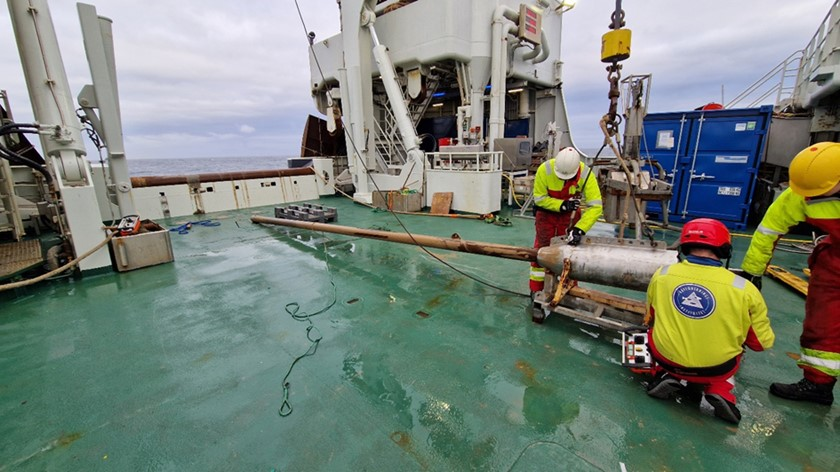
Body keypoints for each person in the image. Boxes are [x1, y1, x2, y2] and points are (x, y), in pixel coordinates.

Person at [645, 218, 774, 425]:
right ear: (725, 250)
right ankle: (721, 390)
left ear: (684, 246)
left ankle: (667, 375)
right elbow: (760, 343)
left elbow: (650, 317)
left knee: (652, 332)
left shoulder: (662, 275)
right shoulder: (744, 289)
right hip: (717, 368)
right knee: (736, 349)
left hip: (667, 358)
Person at [740, 142, 840, 406]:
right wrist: (752, 272)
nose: (810, 198)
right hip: (834, 263)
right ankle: (818, 385)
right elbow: (768, 230)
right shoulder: (802, 192)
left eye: (818, 193)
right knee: (823, 324)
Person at [529, 147, 603, 294]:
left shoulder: (586, 174)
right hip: (546, 215)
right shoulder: (545, 169)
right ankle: (537, 290)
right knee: (542, 252)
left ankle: (568, 290)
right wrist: (561, 205)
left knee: (570, 255)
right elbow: (539, 199)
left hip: (570, 217)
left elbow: (596, 206)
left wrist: (580, 229)